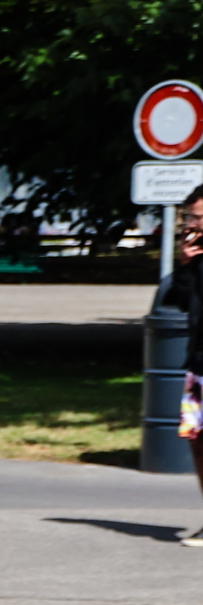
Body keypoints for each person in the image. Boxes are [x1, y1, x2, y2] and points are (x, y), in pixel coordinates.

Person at [156, 187, 203, 544]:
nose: (192, 225)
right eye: (189, 217)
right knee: (198, 442)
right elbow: (182, 303)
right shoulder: (197, 257)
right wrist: (186, 265)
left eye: (198, 218)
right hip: (199, 363)